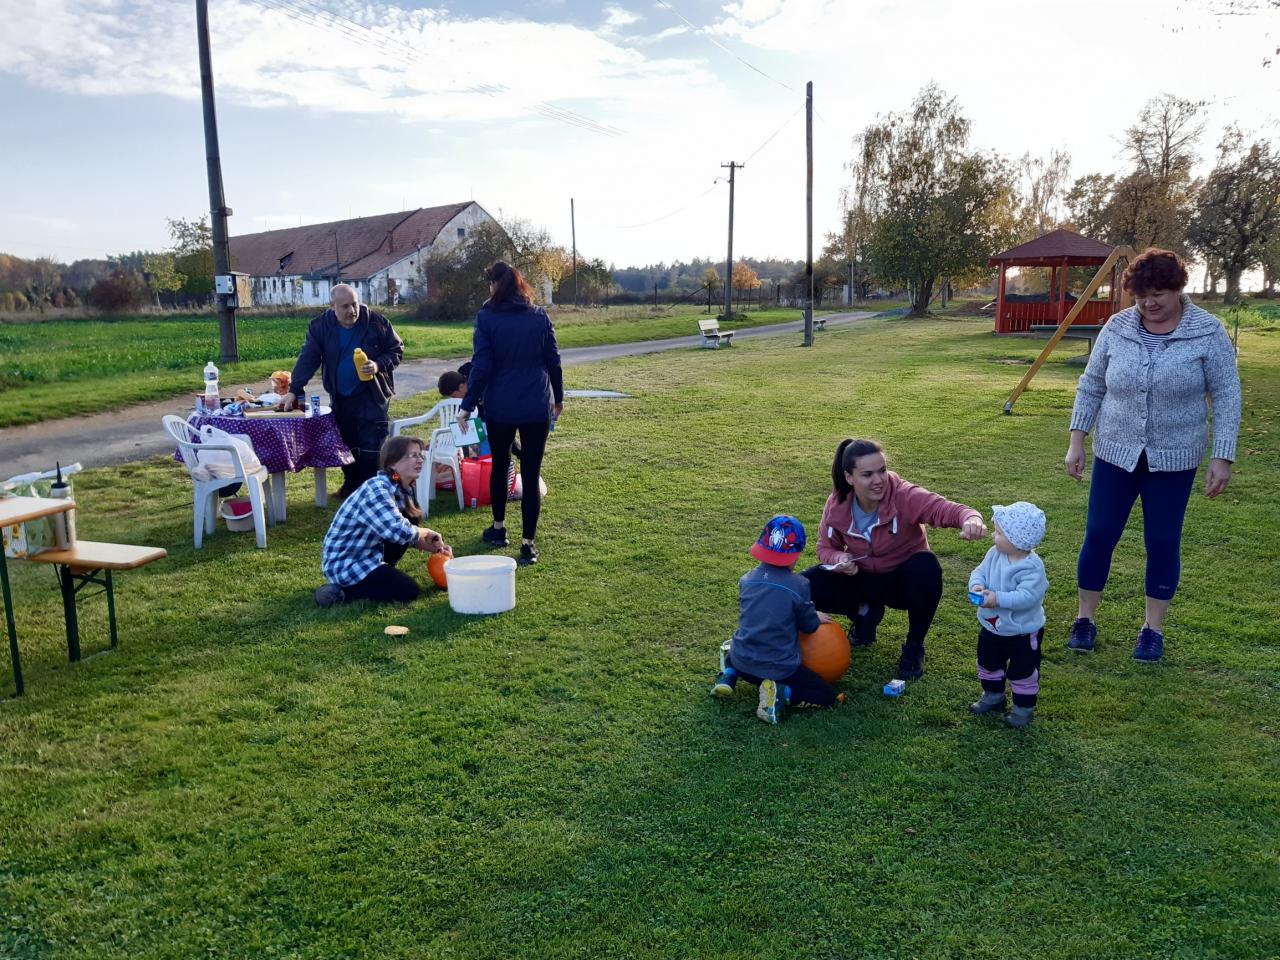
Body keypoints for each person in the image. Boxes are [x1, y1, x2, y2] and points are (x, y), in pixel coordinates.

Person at [1065, 248, 1241, 662]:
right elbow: (1092, 385)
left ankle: (1152, 629)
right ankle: (1084, 619)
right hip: (1115, 453)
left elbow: (1227, 394)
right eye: (1141, 295)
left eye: (1158, 293)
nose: (1149, 303)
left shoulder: (1208, 331)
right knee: (1100, 534)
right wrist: (1077, 440)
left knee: (1162, 541)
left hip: (1174, 458)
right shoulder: (1117, 327)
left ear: (1178, 288)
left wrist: (1222, 456)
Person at [803, 439, 987, 680]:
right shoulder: (837, 503)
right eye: (867, 474)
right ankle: (864, 613)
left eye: (882, 470)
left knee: (926, 566)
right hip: (860, 576)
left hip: (901, 582)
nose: (878, 480)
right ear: (849, 478)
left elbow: (946, 509)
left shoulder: (904, 495)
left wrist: (971, 519)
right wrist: (839, 557)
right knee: (802, 586)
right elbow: (825, 547)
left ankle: (914, 646)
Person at [456, 261, 563, 566]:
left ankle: (499, 528)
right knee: (531, 472)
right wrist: (558, 398)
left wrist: (467, 405)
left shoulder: (487, 317)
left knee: (500, 465)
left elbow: (482, 366)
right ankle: (528, 544)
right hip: (536, 403)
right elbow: (553, 360)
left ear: (494, 285)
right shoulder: (539, 315)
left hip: (501, 405)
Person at [711, 515, 838, 725]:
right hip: (778, 669)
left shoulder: (746, 579)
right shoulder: (799, 585)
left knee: (736, 644)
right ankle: (780, 692)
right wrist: (813, 615)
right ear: (797, 553)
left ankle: (729, 674)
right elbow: (808, 626)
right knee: (825, 695)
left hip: (742, 660)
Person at [282, 283, 404, 497]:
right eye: (345, 306)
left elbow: (396, 350)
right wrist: (294, 389)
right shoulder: (320, 326)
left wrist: (378, 365)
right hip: (341, 396)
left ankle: (371, 491)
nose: (352, 311)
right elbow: (308, 358)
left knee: (371, 447)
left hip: (372, 395)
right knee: (347, 445)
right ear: (332, 306)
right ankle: (351, 486)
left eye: (354, 304)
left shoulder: (377, 322)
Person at [314, 435, 451, 606]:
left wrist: (431, 546)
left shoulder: (402, 487)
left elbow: (403, 531)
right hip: (347, 563)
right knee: (408, 590)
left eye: (420, 455)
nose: (420, 460)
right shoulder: (377, 489)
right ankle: (339, 592)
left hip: (368, 553)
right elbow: (397, 530)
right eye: (413, 455)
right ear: (392, 463)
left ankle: (380, 574)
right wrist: (425, 532)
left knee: (410, 517)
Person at [967, 502, 1049, 729]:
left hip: (1022, 632)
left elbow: (1027, 597)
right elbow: (980, 571)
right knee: (988, 662)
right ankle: (993, 695)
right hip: (992, 626)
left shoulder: (1032, 567)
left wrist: (997, 599)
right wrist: (976, 585)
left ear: (1017, 540)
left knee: (1023, 671)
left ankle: (1023, 708)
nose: (993, 536)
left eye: (999, 533)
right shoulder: (994, 554)